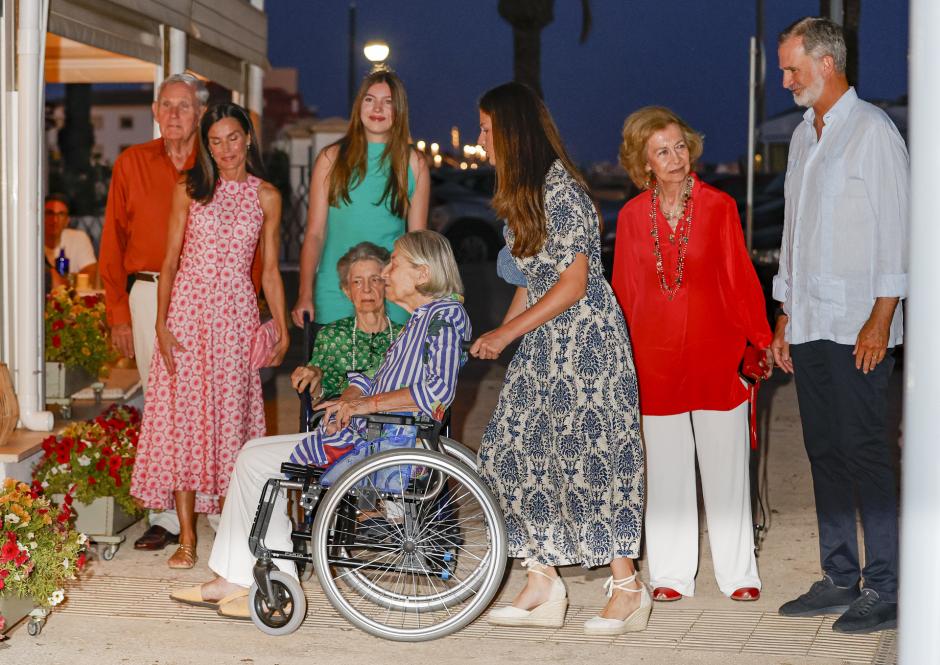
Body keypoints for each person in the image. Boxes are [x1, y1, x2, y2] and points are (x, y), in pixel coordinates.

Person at [169, 230, 469, 619]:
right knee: (251, 455)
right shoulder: (424, 319)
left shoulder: (444, 318)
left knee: (256, 464)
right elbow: (387, 376)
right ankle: (235, 576)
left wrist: (365, 405)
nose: (386, 273)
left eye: (394, 264)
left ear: (423, 275)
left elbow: (436, 390)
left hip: (378, 443)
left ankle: (263, 579)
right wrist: (351, 395)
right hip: (370, 434)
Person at [471, 82, 648, 636]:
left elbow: (572, 285)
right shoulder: (524, 195)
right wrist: (501, 330)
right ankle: (543, 579)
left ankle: (627, 587)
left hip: (587, 344)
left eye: (485, 129)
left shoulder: (561, 192)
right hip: (546, 343)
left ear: (513, 133)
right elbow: (532, 279)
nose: (480, 139)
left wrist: (505, 337)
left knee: (597, 454)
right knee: (509, 449)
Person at [772, 17, 907, 634]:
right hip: (810, 322)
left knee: (866, 454)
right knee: (823, 451)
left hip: (859, 326)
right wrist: (784, 316)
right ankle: (837, 576)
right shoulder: (804, 136)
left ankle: (886, 585)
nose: (785, 80)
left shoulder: (873, 131)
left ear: (827, 63)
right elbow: (792, 235)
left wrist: (881, 318)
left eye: (792, 68)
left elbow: (898, 234)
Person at [611, 106, 773, 605]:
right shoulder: (632, 217)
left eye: (680, 145)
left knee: (725, 467)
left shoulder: (720, 206)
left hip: (715, 354)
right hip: (653, 362)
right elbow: (623, 292)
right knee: (665, 471)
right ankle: (672, 574)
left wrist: (759, 341)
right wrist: (619, 359)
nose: (676, 157)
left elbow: (740, 277)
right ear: (644, 163)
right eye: (663, 151)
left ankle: (737, 571)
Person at [130, 103, 290, 569]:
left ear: (248, 138)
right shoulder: (189, 189)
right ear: (206, 144)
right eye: (215, 140)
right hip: (188, 314)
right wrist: (161, 324)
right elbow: (169, 260)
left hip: (237, 317)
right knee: (184, 424)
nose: (224, 149)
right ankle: (185, 539)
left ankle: (229, 532)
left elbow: (272, 270)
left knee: (229, 423)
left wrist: (278, 324)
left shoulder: (267, 196)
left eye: (233, 138)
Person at [99, 73, 208, 552]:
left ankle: (214, 499)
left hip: (208, 296)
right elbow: (112, 241)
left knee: (210, 399)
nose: (175, 114)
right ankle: (164, 516)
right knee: (160, 406)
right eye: (167, 105)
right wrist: (118, 313)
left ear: (200, 113)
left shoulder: (217, 163)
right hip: (148, 293)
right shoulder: (131, 163)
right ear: (155, 111)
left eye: (184, 106)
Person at [291, 70, 429, 329]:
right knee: (332, 370)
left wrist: (421, 297)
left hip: (392, 294)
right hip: (335, 292)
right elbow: (314, 234)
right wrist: (304, 294)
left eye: (388, 102)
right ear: (359, 106)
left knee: (389, 371)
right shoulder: (331, 159)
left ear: (398, 110)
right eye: (369, 99)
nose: (378, 108)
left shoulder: (414, 163)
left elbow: (417, 241)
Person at [290, 241, 403, 401]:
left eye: (375, 280)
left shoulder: (405, 336)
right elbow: (318, 397)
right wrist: (313, 377)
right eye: (357, 281)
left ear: (386, 286)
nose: (366, 289)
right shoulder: (332, 336)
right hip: (343, 422)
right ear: (347, 291)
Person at [43, 194, 97, 290]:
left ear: (67, 220)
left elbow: (90, 276)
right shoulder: (30, 242)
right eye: (50, 213)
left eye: (61, 214)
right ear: (40, 216)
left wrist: (62, 283)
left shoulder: (79, 238)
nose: (55, 219)